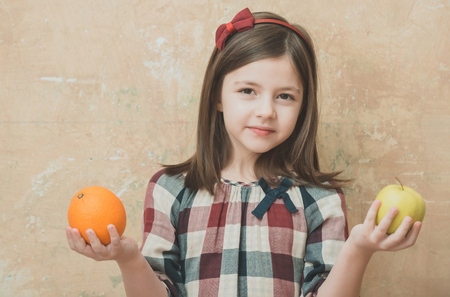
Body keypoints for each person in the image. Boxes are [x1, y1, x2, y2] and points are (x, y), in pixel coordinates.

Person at [66, 8, 422, 297]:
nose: (266, 110)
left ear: (303, 106)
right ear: (217, 96)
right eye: (248, 90)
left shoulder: (321, 199)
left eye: (285, 96)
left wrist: (359, 249)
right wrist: (128, 258)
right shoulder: (170, 189)